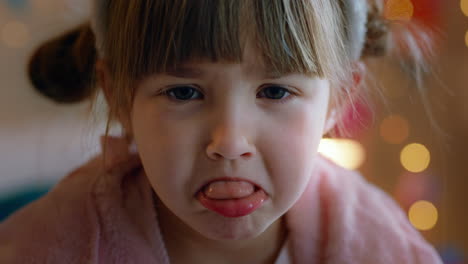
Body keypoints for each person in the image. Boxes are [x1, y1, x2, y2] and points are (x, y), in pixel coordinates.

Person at [0, 0, 443, 263]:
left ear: (339, 100)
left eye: (274, 90)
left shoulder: (379, 247)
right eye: (184, 93)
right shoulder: (54, 245)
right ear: (118, 97)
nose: (229, 142)